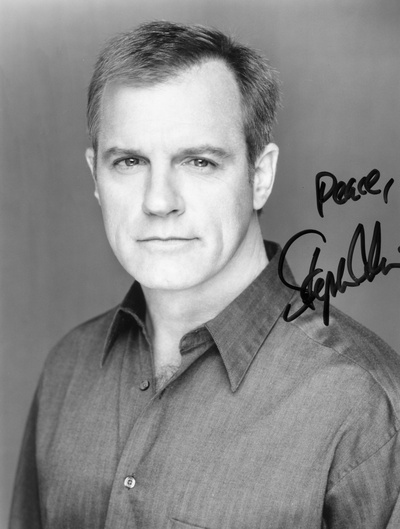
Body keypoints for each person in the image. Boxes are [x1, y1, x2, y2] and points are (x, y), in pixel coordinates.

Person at [9, 20, 400, 529]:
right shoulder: (69, 369)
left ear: (260, 177)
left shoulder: (363, 400)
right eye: (129, 161)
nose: (159, 201)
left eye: (198, 161)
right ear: (96, 178)